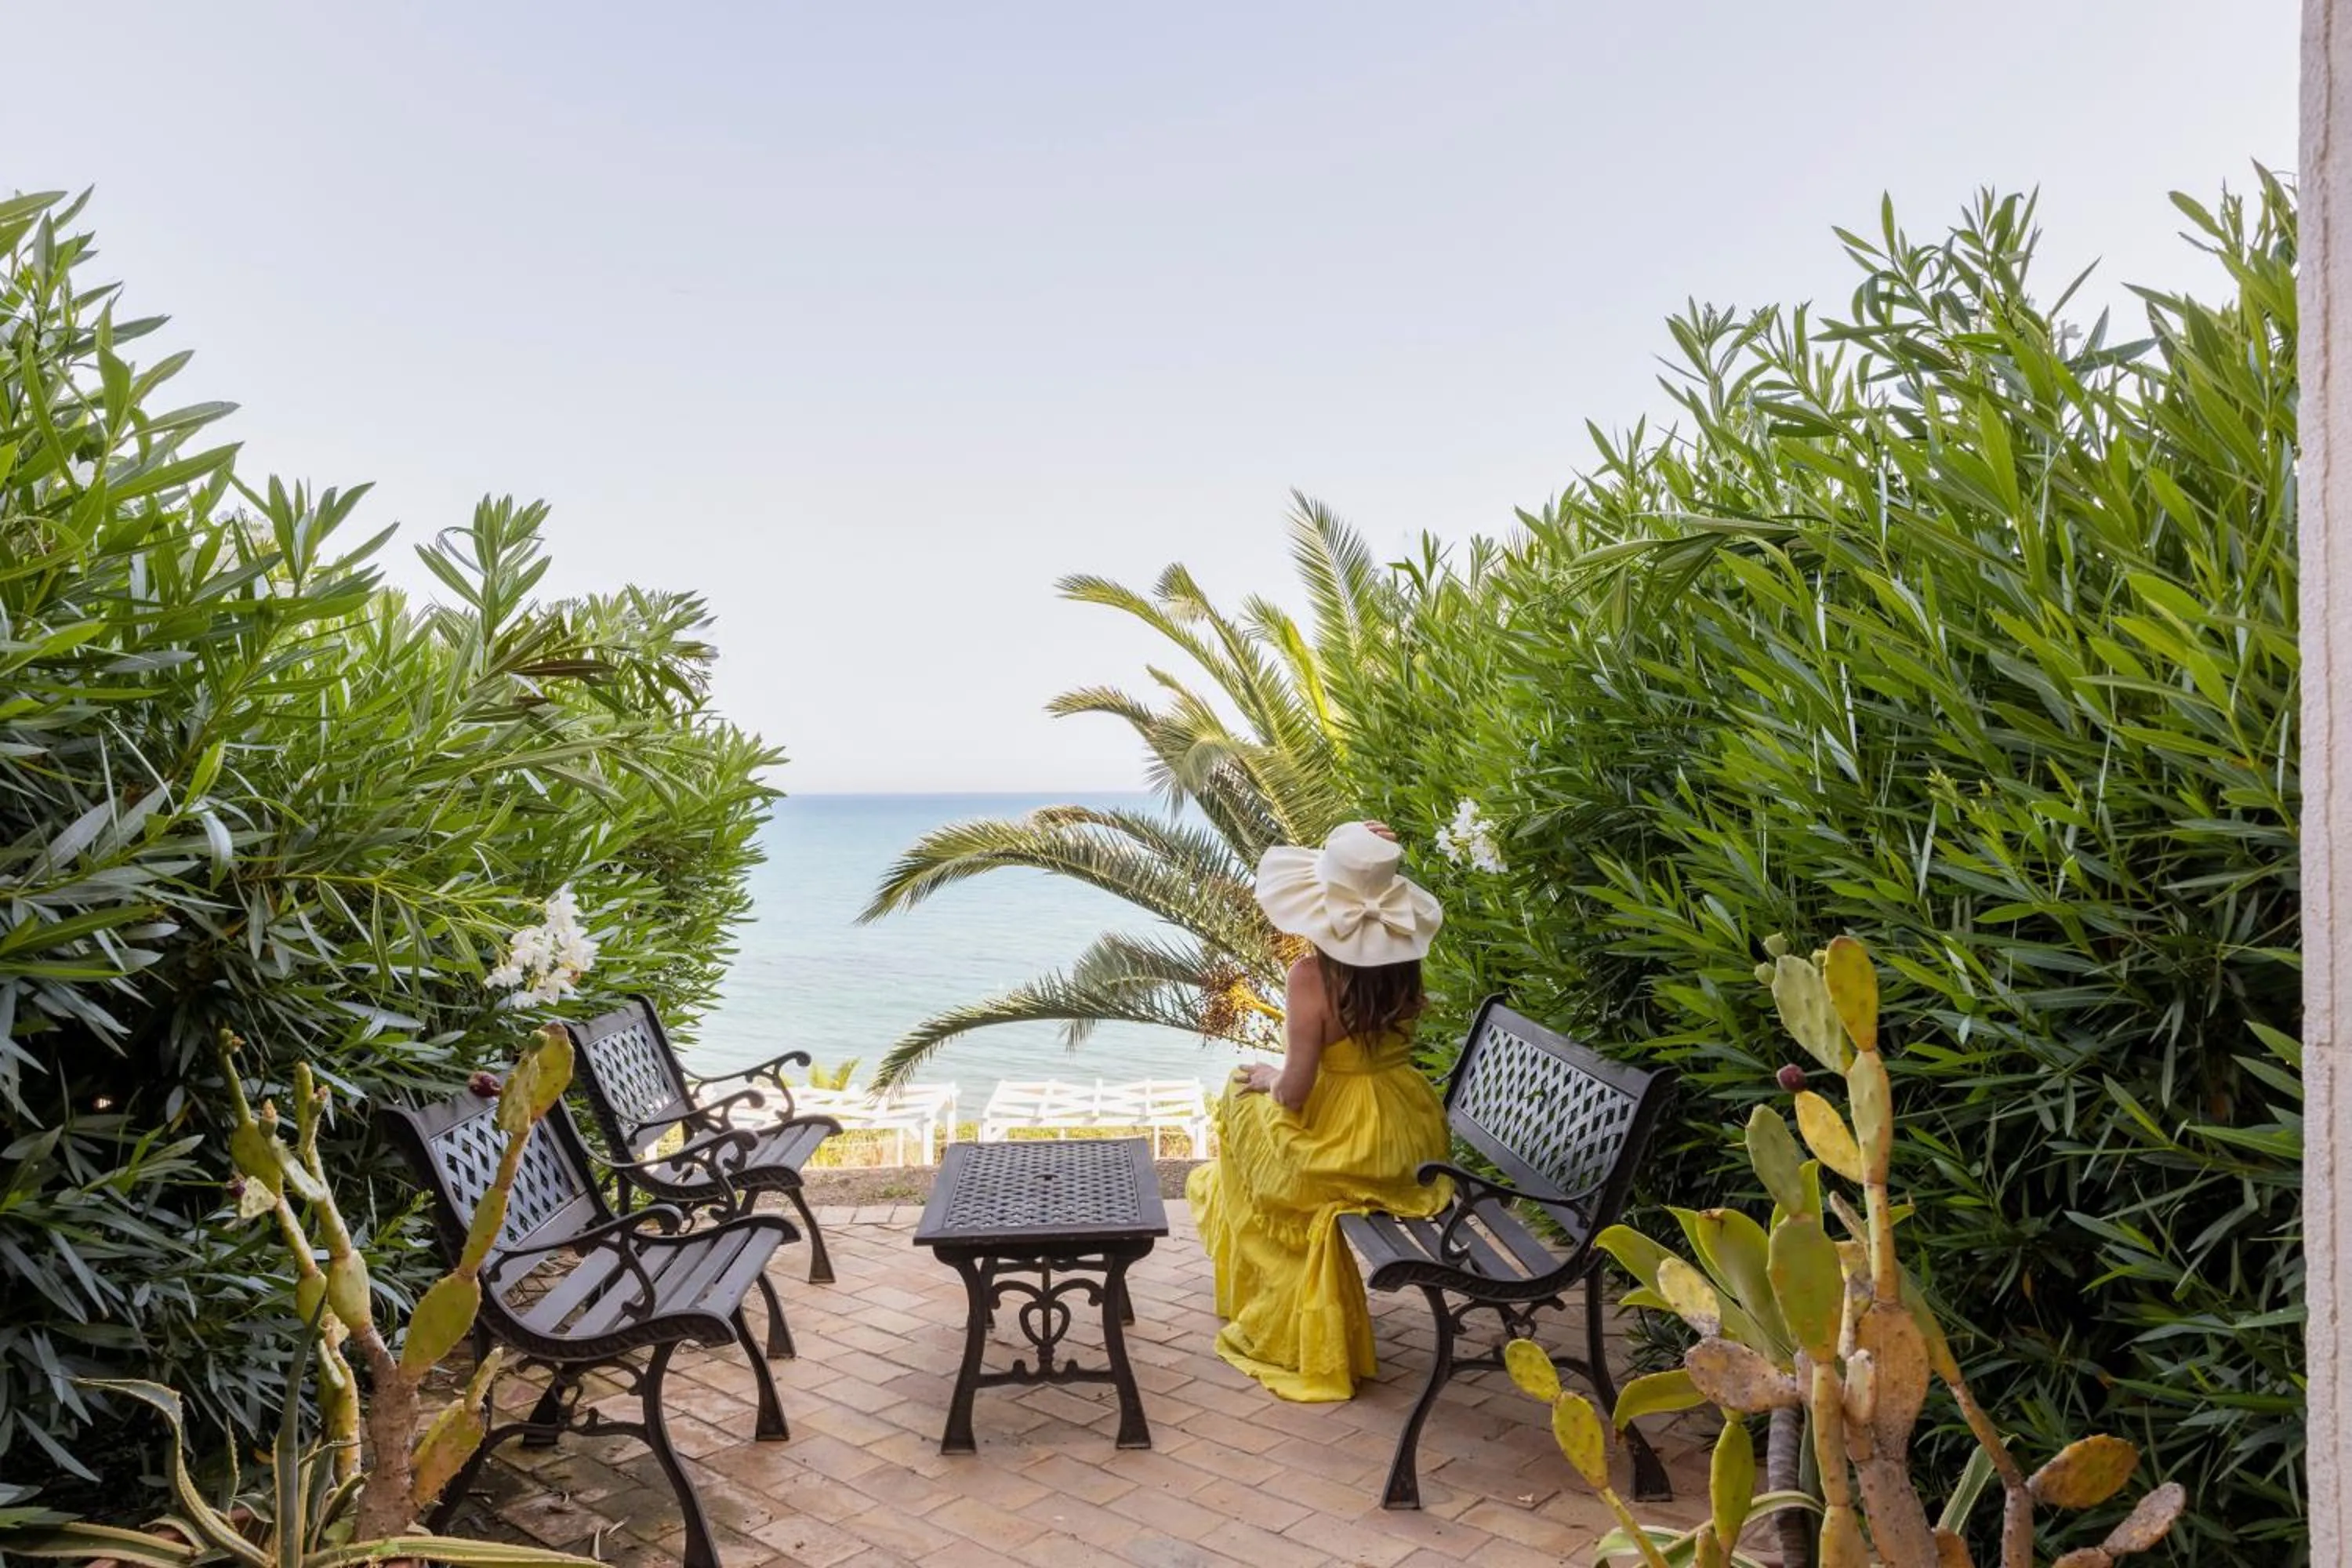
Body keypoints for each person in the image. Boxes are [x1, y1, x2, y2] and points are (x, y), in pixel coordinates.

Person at [1185, 819, 1453, 1401]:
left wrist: (1267, 1079)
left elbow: (1296, 1091)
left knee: (1239, 1099)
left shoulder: (1310, 976)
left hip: (1343, 1147)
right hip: (1409, 1138)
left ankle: (1259, 1291)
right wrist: (1359, 838)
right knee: (1254, 1099)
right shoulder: (1402, 963)